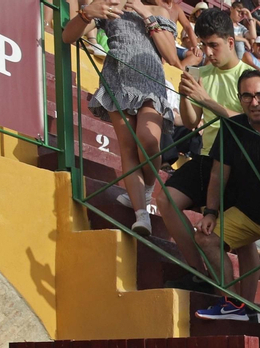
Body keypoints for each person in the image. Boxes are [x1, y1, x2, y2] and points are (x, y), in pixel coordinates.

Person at [61, 0, 182, 236]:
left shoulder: (159, 11)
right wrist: (86, 14)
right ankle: (141, 214)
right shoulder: (109, 5)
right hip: (117, 79)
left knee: (149, 141)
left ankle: (146, 189)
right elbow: (68, 36)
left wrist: (144, 13)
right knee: (127, 148)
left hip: (151, 83)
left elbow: (170, 55)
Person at [159, 8, 251, 282]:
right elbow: (190, 122)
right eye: (204, 45)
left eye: (214, 45)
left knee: (245, 245)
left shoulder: (249, 76)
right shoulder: (202, 72)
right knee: (166, 199)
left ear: (230, 43)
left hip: (242, 164)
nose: (208, 52)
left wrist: (205, 98)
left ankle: (245, 306)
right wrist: (187, 94)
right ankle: (198, 271)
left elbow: (250, 124)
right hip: (210, 157)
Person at [192, 70, 260, 321]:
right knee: (205, 237)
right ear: (239, 98)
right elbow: (217, 175)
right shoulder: (231, 126)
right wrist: (210, 212)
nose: (254, 103)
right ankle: (233, 303)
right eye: (247, 96)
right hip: (246, 214)